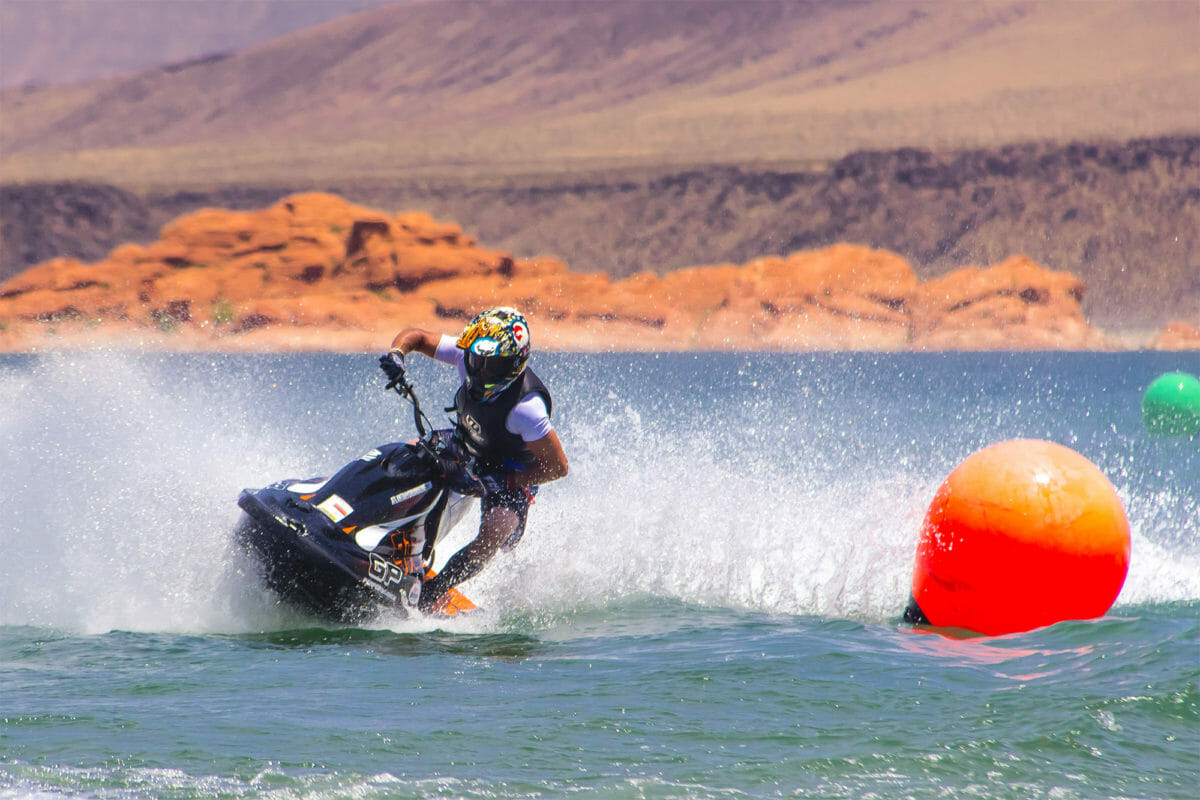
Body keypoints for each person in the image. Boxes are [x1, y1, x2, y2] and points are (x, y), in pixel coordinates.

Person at [379, 306, 568, 613]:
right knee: (406, 453)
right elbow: (417, 337)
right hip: (467, 444)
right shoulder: (466, 355)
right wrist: (397, 355)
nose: (479, 372)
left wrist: (507, 480)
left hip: (510, 473)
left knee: (496, 531)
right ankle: (361, 520)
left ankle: (432, 593)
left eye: (491, 366)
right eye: (476, 361)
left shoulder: (528, 409)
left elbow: (558, 467)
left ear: (514, 364)